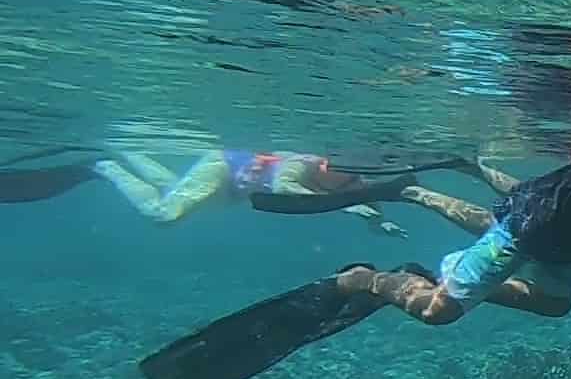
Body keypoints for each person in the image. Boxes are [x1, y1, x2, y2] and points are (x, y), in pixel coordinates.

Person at [140, 107, 571, 379]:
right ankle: (370, 278)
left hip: (552, 226)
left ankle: (419, 195)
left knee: (553, 304)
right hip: (535, 229)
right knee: (443, 310)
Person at [0, 145, 415, 236]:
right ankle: (105, 166)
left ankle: (130, 151)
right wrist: (344, 206)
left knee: (172, 189)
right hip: (225, 169)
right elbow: (283, 188)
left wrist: (380, 225)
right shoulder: (303, 163)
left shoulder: (355, 179)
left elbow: (366, 204)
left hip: (232, 189)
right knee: (163, 214)